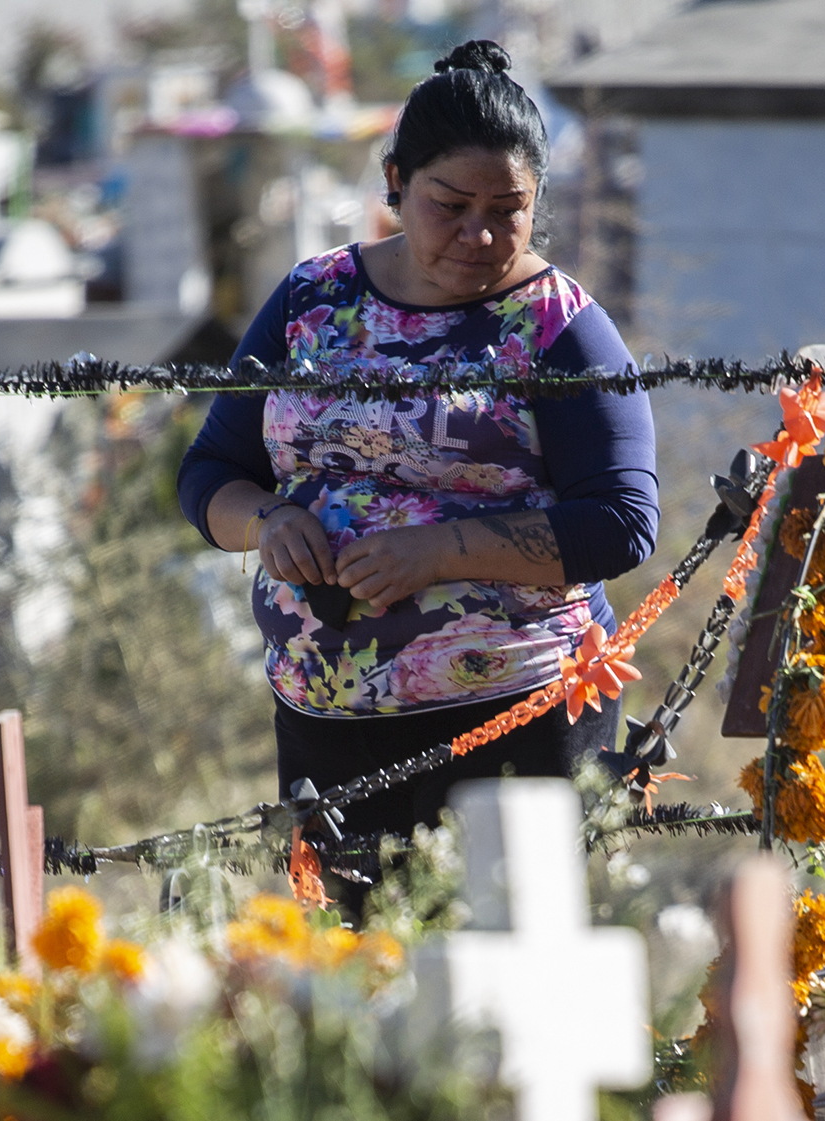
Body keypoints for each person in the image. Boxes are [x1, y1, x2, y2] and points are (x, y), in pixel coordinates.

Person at [177, 40, 659, 837]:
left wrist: (436, 551)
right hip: (324, 717)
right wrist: (268, 524)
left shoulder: (561, 327)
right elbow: (210, 473)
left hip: (518, 720)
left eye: (508, 210)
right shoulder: (311, 299)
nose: (478, 234)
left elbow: (621, 520)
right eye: (450, 204)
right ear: (396, 181)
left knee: (504, 951)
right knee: (349, 958)